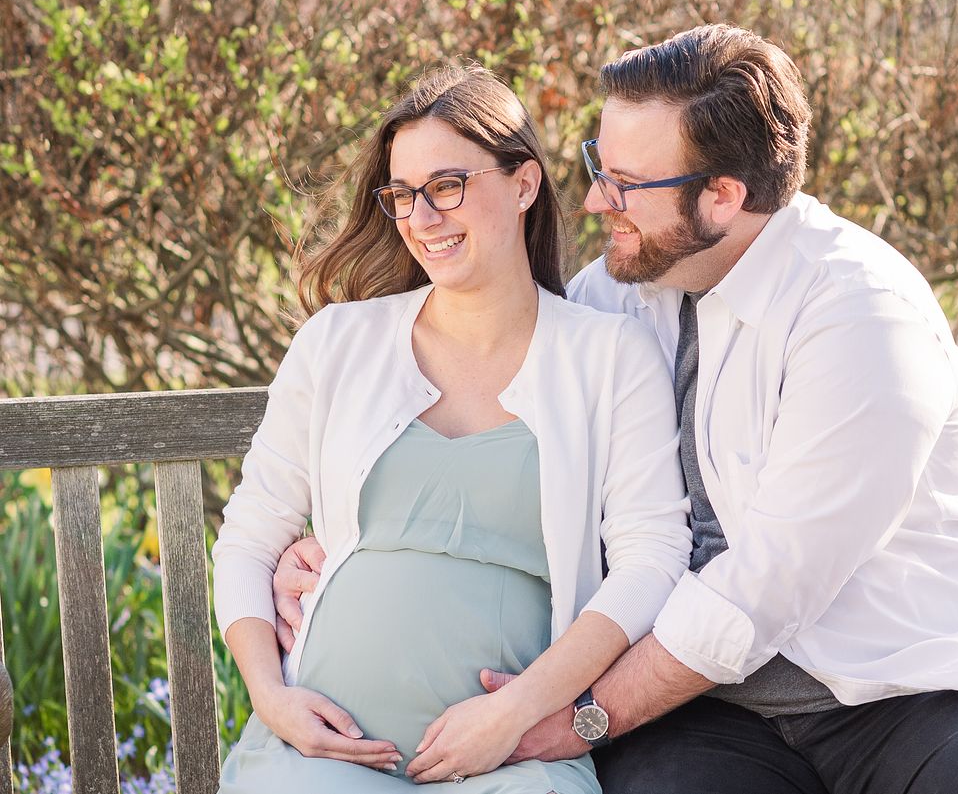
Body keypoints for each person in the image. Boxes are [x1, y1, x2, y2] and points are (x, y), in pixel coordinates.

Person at [275, 25, 958, 794]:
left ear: (722, 198)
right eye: (601, 165)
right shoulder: (617, 299)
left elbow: (766, 584)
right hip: (711, 712)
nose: (596, 203)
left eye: (626, 184)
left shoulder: (859, 313)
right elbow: (492, 440)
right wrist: (338, 550)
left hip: (911, 686)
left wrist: (583, 717)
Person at [211, 63, 691, 793]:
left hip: (512, 760)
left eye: (446, 186)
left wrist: (521, 712)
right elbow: (250, 534)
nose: (421, 218)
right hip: (326, 753)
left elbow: (650, 559)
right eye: (403, 195)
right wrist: (271, 699)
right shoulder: (339, 342)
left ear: (523, 183)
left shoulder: (608, 355)